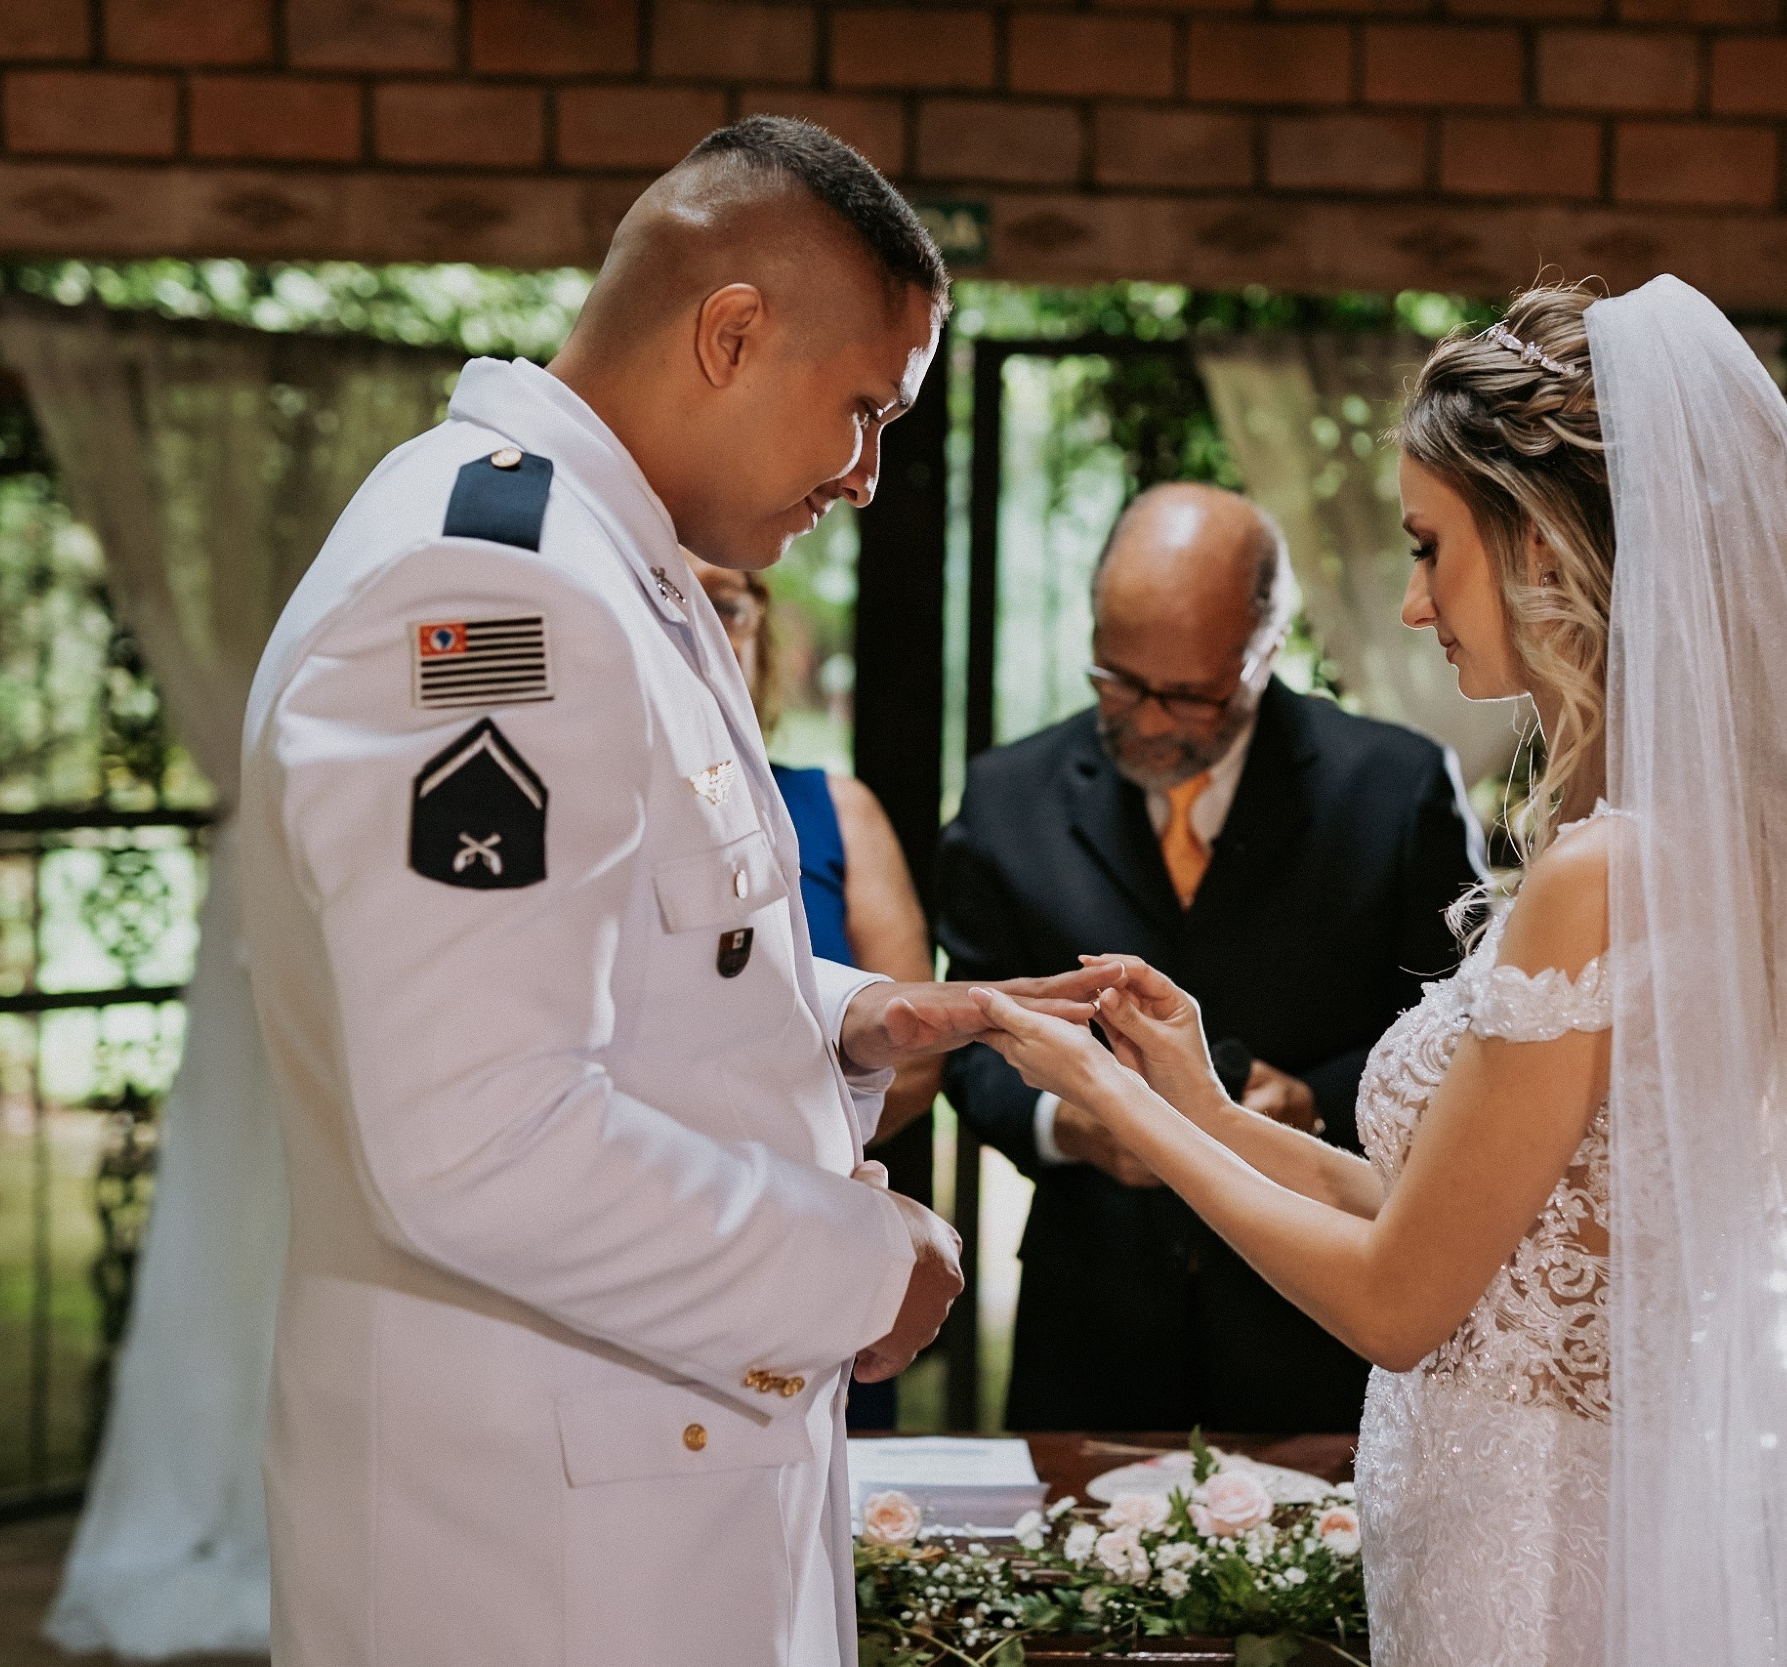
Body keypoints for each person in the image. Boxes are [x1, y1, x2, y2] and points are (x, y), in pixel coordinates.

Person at [972, 278, 1787, 1667]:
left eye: (1429, 548)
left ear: (1542, 550)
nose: (1411, 606)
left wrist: (1139, 1122)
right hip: (1547, 1493)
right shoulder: (1671, 844)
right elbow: (1462, 1231)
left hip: (1541, 1542)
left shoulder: (1603, 876)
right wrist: (1207, 1104)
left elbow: (1400, 1302)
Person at [236, 117, 1112, 1667]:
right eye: (862, 408)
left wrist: (850, 1016)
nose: (866, 473)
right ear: (730, 330)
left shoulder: (604, 556)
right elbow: (477, 1139)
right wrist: (859, 1267)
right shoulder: (492, 586)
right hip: (539, 1558)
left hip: (643, 1491)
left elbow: (639, 951)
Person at [936, 481, 1485, 1435]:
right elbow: (969, 1038)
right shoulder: (1003, 795)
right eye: (1116, 680)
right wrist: (1074, 1123)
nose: (1147, 722)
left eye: (1189, 694)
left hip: (1320, 1333)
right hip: (1094, 1325)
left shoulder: (1395, 789)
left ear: (1266, 651)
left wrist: (1310, 1102)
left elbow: (1460, 1032)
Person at [701, 559, 937, 1432]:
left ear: (766, 631)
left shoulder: (837, 809)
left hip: (825, 1224)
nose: (707, 634)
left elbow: (914, 1052)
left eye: (727, 606)